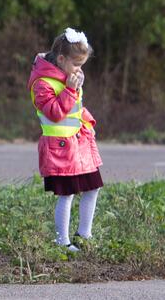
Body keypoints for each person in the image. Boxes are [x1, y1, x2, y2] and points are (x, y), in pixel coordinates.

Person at [27, 28, 103, 252]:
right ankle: (63, 242)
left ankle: (84, 234)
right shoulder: (42, 83)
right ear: (61, 59)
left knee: (92, 188)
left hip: (80, 144)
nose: (80, 70)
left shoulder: (68, 77)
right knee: (67, 194)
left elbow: (76, 108)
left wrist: (88, 121)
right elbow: (55, 112)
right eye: (77, 65)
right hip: (60, 150)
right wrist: (70, 89)